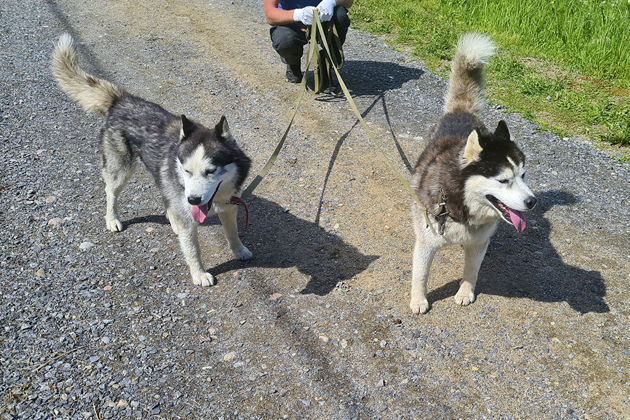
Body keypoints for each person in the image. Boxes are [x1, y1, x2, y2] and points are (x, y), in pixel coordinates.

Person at [263, 0, 353, 83]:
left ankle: (325, 63)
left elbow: (348, 2)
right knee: (285, 40)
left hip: (325, 18)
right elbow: (270, 15)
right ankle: (293, 63)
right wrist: (299, 14)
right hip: (291, 22)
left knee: (340, 16)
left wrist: (331, 2)